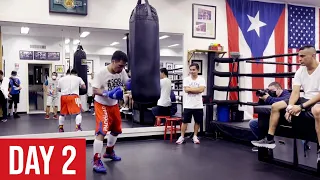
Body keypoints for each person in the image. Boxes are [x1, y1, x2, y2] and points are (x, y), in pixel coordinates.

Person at [252, 46, 320, 156]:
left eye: (302, 56)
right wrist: (290, 107)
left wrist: (301, 107)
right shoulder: (300, 71)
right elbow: (295, 92)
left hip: (317, 100)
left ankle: (319, 149)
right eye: (299, 56)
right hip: (305, 98)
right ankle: (269, 139)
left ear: (313, 56)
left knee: (317, 110)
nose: (299, 59)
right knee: (275, 106)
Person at [91, 50, 130, 174]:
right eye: (120, 65)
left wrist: (134, 83)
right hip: (101, 104)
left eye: (123, 66)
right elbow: (94, 90)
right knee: (102, 131)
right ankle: (96, 160)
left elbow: (127, 83)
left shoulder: (122, 71)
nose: (121, 68)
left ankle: (109, 151)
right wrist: (107, 93)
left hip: (114, 105)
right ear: (113, 62)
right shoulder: (101, 73)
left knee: (116, 130)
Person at [249, 82, 290, 151]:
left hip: (281, 119)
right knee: (253, 123)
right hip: (270, 118)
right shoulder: (271, 96)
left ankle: (268, 141)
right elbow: (261, 107)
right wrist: (262, 99)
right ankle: (263, 142)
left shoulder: (287, 94)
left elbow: (281, 101)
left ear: (279, 89)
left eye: (272, 90)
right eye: (269, 91)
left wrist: (268, 98)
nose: (271, 92)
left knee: (264, 123)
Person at [176, 63, 206, 145]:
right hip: (188, 105)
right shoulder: (186, 79)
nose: (192, 71)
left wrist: (190, 89)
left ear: (198, 70)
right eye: (191, 70)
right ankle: (182, 137)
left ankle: (195, 136)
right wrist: (196, 89)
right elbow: (186, 90)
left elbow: (201, 90)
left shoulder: (201, 79)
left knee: (197, 122)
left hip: (198, 105)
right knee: (184, 122)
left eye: (194, 70)